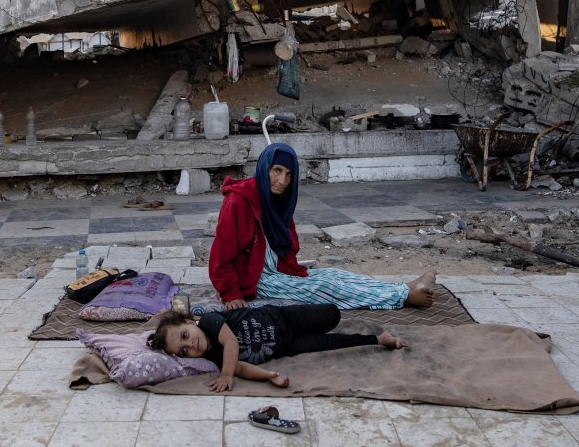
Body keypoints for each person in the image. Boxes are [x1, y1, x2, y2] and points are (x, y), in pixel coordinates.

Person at [209, 142, 436, 311]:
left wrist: (293, 270)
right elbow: (220, 257)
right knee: (324, 288)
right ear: (264, 167)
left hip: (281, 270)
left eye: (288, 175)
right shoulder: (238, 201)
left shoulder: (276, 199)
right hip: (256, 279)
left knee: (335, 275)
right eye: (276, 170)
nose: (282, 181)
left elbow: (288, 244)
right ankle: (402, 297)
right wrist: (231, 294)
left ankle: (404, 286)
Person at [148, 304, 406, 392]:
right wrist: (269, 375)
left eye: (185, 335)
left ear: (189, 322)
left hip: (283, 318)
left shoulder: (209, 321)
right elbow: (240, 368)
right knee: (328, 344)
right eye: (184, 351)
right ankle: (378, 339)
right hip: (287, 345)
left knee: (332, 315)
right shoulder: (215, 359)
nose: (190, 344)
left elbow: (231, 343)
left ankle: (333, 323)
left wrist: (226, 375)